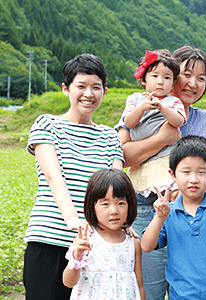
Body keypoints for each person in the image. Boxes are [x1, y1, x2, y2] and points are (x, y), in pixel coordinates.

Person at [117, 45, 206, 300]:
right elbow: (122, 156)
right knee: (150, 288)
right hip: (148, 209)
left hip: (193, 214)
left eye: (202, 79)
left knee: (191, 289)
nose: (193, 83)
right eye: (186, 75)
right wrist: (162, 139)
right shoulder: (142, 107)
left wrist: (186, 189)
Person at [23, 53, 125, 300]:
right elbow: (52, 176)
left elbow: (118, 188)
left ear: (105, 91)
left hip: (95, 248)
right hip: (49, 240)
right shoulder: (47, 125)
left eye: (96, 87)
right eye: (81, 86)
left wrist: (125, 223)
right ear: (66, 88)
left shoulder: (110, 137)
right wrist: (74, 221)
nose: (88, 94)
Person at [141, 135, 206, 299]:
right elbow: (147, 246)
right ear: (172, 174)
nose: (193, 179)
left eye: (201, 172)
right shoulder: (168, 212)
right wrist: (159, 218)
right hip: (182, 295)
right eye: (186, 172)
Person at [63, 168, 146, 300]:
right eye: (105, 204)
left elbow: (139, 285)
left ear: (130, 206)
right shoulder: (85, 241)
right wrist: (77, 256)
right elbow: (68, 282)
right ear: (93, 207)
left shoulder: (133, 243)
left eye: (121, 203)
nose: (114, 210)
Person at [116, 49, 185, 198]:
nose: (160, 82)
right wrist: (142, 108)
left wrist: (163, 108)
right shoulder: (134, 99)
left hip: (165, 161)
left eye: (167, 78)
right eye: (154, 76)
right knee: (140, 204)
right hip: (140, 166)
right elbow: (128, 122)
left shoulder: (173, 102)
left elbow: (179, 121)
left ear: (173, 84)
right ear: (143, 80)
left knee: (170, 200)